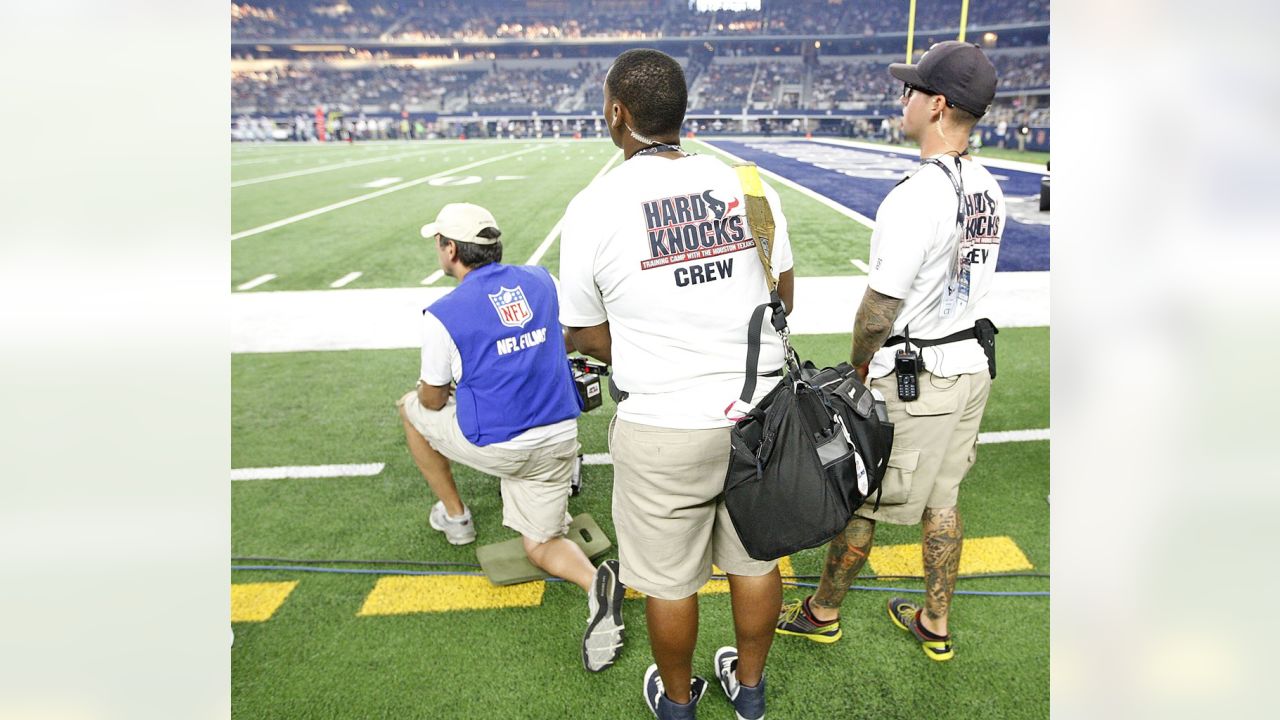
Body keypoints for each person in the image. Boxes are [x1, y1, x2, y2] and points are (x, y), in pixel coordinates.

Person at [559, 49, 794, 720]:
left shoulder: (595, 204)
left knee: (667, 579)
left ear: (617, 113)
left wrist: (646, 349)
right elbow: (783, 296)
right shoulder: (749, 185)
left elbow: (582, 332)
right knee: (755, 562)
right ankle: (749, 690)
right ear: (682, 114)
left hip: (663, 422)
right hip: (761, 414)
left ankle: (680, 700)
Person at [774, 41, 1005, 663]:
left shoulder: (916, 196)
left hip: (915, 377)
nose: (901, 99)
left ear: (936, 105)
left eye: (911, 91)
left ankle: (822, 612)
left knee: (861, 498)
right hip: (970, 367)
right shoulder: (989, 186)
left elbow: (879, 308)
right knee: (945, 499)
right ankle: (934, 619)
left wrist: (856, 366)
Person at [396, 202, 625, 673]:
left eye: (439, 242)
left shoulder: (442, 313)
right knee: (539, 545)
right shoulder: (541, 279)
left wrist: (452, 379)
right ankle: (595, 582)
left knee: (409, 406)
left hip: (504, 449)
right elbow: (564, 337)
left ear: (452, 249)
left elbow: (434, 400)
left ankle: (456, 518)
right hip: (561, 437)